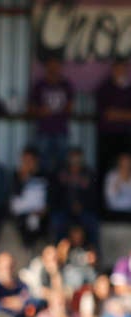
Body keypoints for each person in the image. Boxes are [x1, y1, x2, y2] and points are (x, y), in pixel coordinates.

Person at [29, 57, 75, 175]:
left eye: (56, 66)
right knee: (43, 163)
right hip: (44, 130)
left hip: (61, 130)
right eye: (51, 66)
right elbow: (31, 107)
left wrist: (56, 110)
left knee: (62, 164)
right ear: (46, 68)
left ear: (60, 68)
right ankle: (45, 189)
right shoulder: (39, 85)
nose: (53, 69)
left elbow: (70, 107)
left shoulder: (66, 85)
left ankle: (59, 190)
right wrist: (41, 110)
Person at [50, 146, 99, 247]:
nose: (76, 162)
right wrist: (68, 205)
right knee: (58, 223)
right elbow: (54, 195)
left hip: (84, 210)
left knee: (92, 223)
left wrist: (82, 205)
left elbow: (94, 197)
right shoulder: (60, 173)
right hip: (64, 209)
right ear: (68, 159)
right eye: (73, 159)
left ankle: (93, 254)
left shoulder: (89, 174)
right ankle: (59, 253)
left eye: (78, 160)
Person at [96, 59, 131, 190]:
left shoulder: (129, 89)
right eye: (117, 69)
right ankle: (104, 207)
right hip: (107, 135)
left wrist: (116, 114)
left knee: (125, 168)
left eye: (122, 69)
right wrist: (124, 114)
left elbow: (114, 114)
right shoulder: (104, 88)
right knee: (106, 168)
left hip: (125, 135)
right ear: (112, 71)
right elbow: (107, 114)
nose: (120, 72)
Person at [9, 146, 50, 250]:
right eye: (24, 160)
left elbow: (52, 195)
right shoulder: (16, 176)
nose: (27, 163)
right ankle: (29, 249)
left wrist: (46, 208)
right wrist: (23, 178)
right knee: (28, 223)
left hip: (41, 212)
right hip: (22, 212)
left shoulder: (45, 175)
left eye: (30, 160)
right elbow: (14, 195)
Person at [102, 151, 131, 221]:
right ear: (119, 163)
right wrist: (119, 180)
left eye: (128, 162)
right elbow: (110, 198)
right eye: (124, 162)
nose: (126, 165)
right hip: (114, 211)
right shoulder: (111, 176)